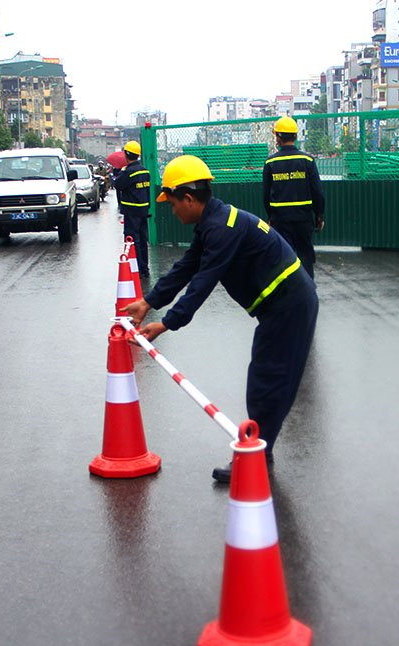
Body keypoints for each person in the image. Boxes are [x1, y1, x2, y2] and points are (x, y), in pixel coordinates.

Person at [122, 156, 318, 484]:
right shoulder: (213, 222)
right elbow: (187, 266)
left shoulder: (222, 228)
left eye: (172, 204)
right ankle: (260, 454)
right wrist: (148, 301)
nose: (172, 212)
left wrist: (167, 323)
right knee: (267, 380)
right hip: (280, 306)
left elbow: (203, 281)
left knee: (267, 381)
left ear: (188, 198)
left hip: (289, 305)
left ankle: (257, 458)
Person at [262, 116, 326, 278]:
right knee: (305, 257)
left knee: (284, 259)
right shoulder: (307, 160)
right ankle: (308, 293)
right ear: (296, 137)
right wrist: (319, 215)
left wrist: (271, 217)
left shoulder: (270, 163)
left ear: (277, 137)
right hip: (304, 219)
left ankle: (289, 296)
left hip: (280, 221)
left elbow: (266, 195)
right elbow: (317, 191)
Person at [113, 140, 151, 277]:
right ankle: (145, 269)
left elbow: (117, 185)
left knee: (132, 240)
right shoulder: (145, 171)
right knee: (143, 239)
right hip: (143, 210)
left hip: (131, 211)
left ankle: (137, 269)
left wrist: (119, 172)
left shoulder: (129, 172)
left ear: (127, 154)